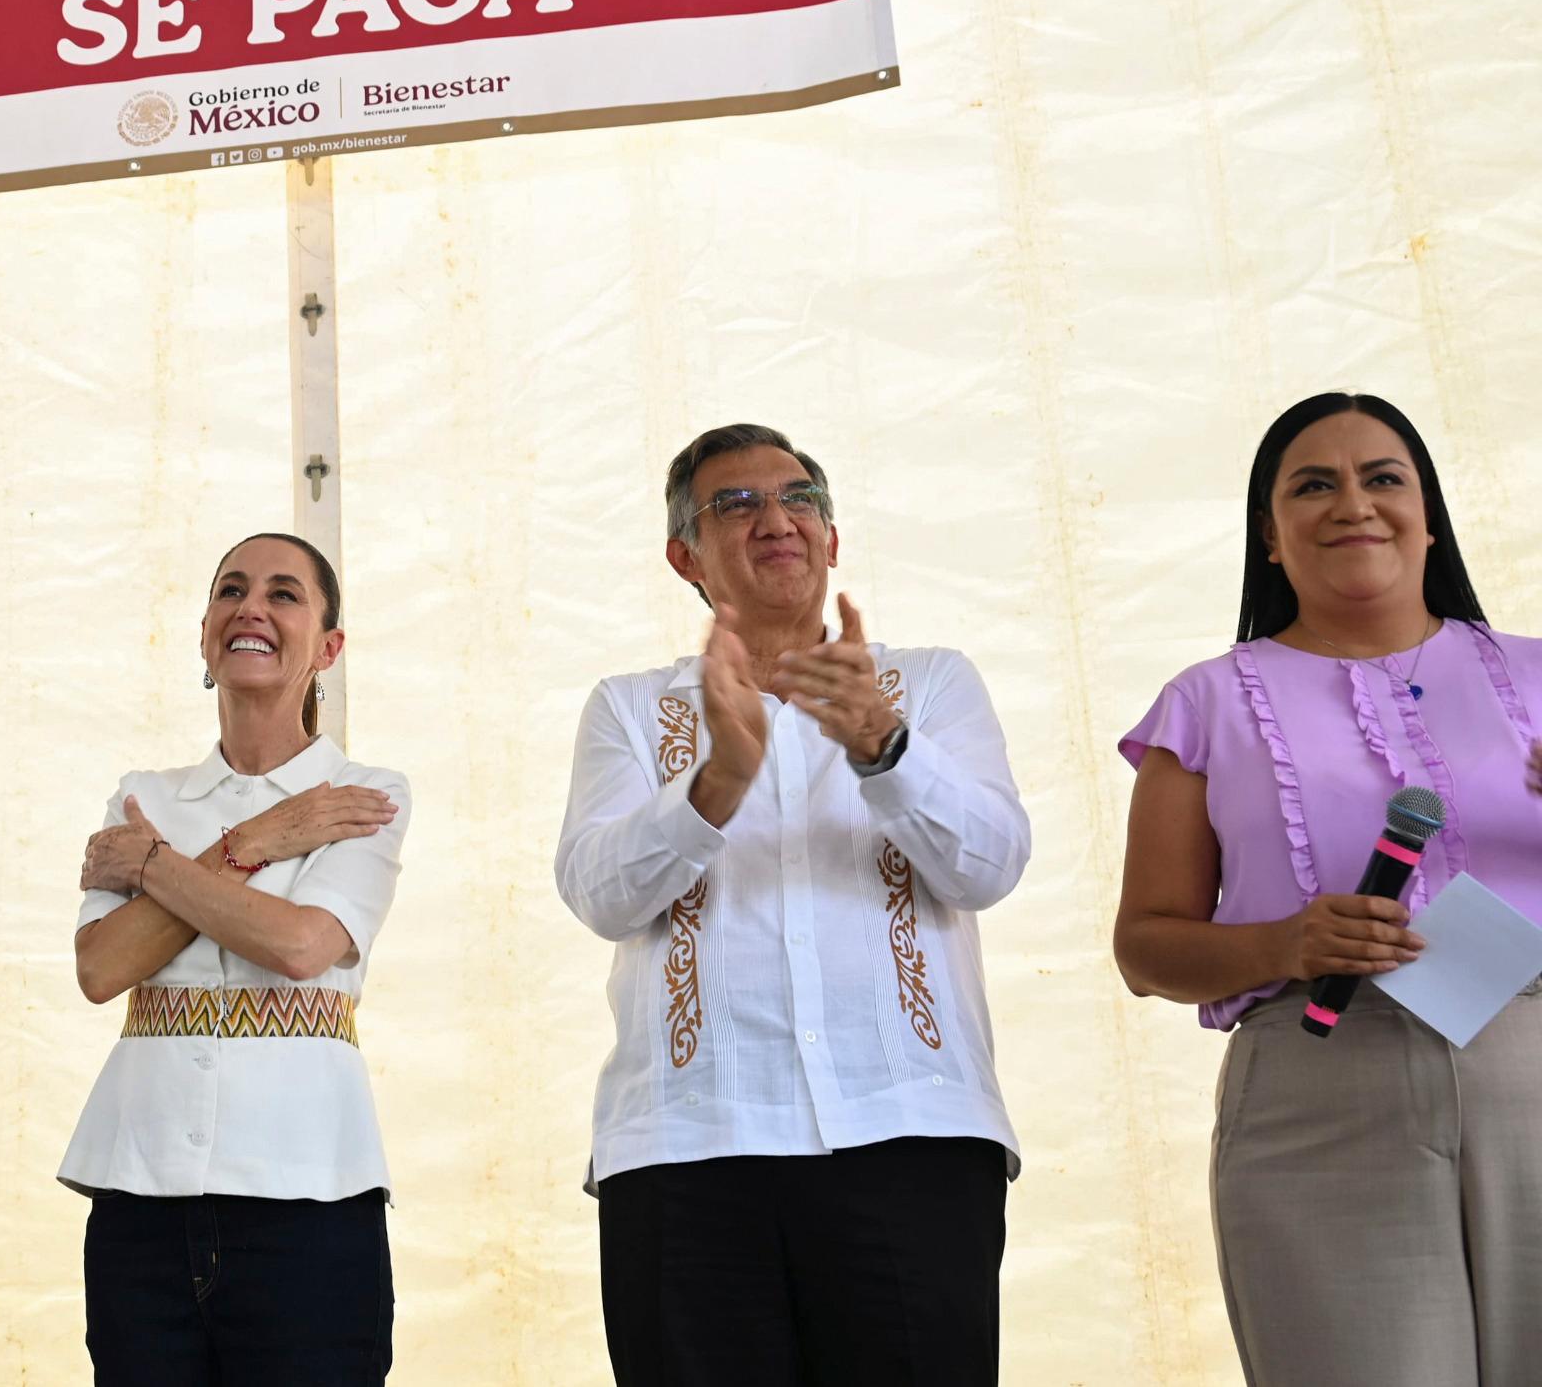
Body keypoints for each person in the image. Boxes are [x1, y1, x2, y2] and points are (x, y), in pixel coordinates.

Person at [557, 423, 1031, 1386]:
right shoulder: (631, 707)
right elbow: (601, 892)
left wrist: (880, 743)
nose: (777, 519)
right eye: (736, 504)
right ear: (684, 556)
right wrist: (720, 778)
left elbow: (987, 866)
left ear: (833, 538)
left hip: (914, 1135)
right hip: (690, 1146)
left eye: (799, 499)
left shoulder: (927, 684)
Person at [1113, 391, 1542, 1385]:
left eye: (1382, 477)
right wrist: (1285, 943)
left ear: (1428, 514)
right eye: (1313, 484)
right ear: (1269, 536)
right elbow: (1143, 947)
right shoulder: (1204, 702)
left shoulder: (1536, 674)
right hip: (1320, 1088)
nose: (1352, 502)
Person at [61, 532, 409, 1385]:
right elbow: (103, 968)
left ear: (328, 647)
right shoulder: (145, 794)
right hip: (138, 1194)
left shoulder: (366, 795)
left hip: (311, 1193)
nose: (251, 607)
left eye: (284, 593)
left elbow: (301, 945)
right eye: (231, 590)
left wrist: (154, 868)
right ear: (206, 634)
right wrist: (259, 842)